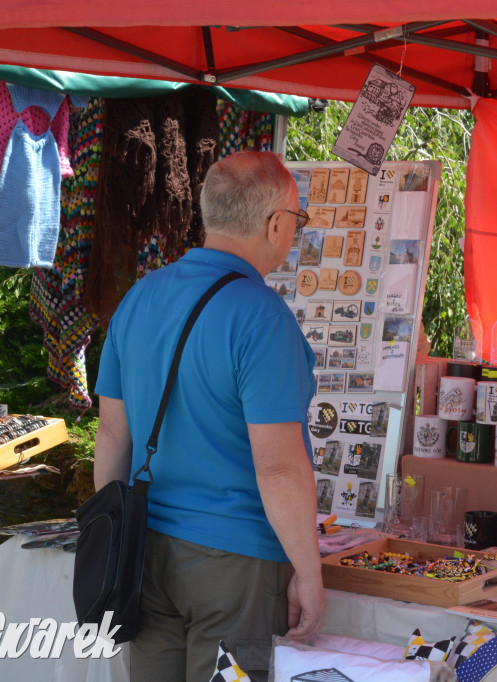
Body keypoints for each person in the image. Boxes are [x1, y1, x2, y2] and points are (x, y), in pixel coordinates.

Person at [93, 150, 326, 681]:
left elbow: (112, 436)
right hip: (235, 560)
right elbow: (279, 469)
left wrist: (110, 539)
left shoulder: (139, 296)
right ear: (274, 224)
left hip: (145, 549)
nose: (294, 231)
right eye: (297, 220)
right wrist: (309, 574)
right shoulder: (262, 318)